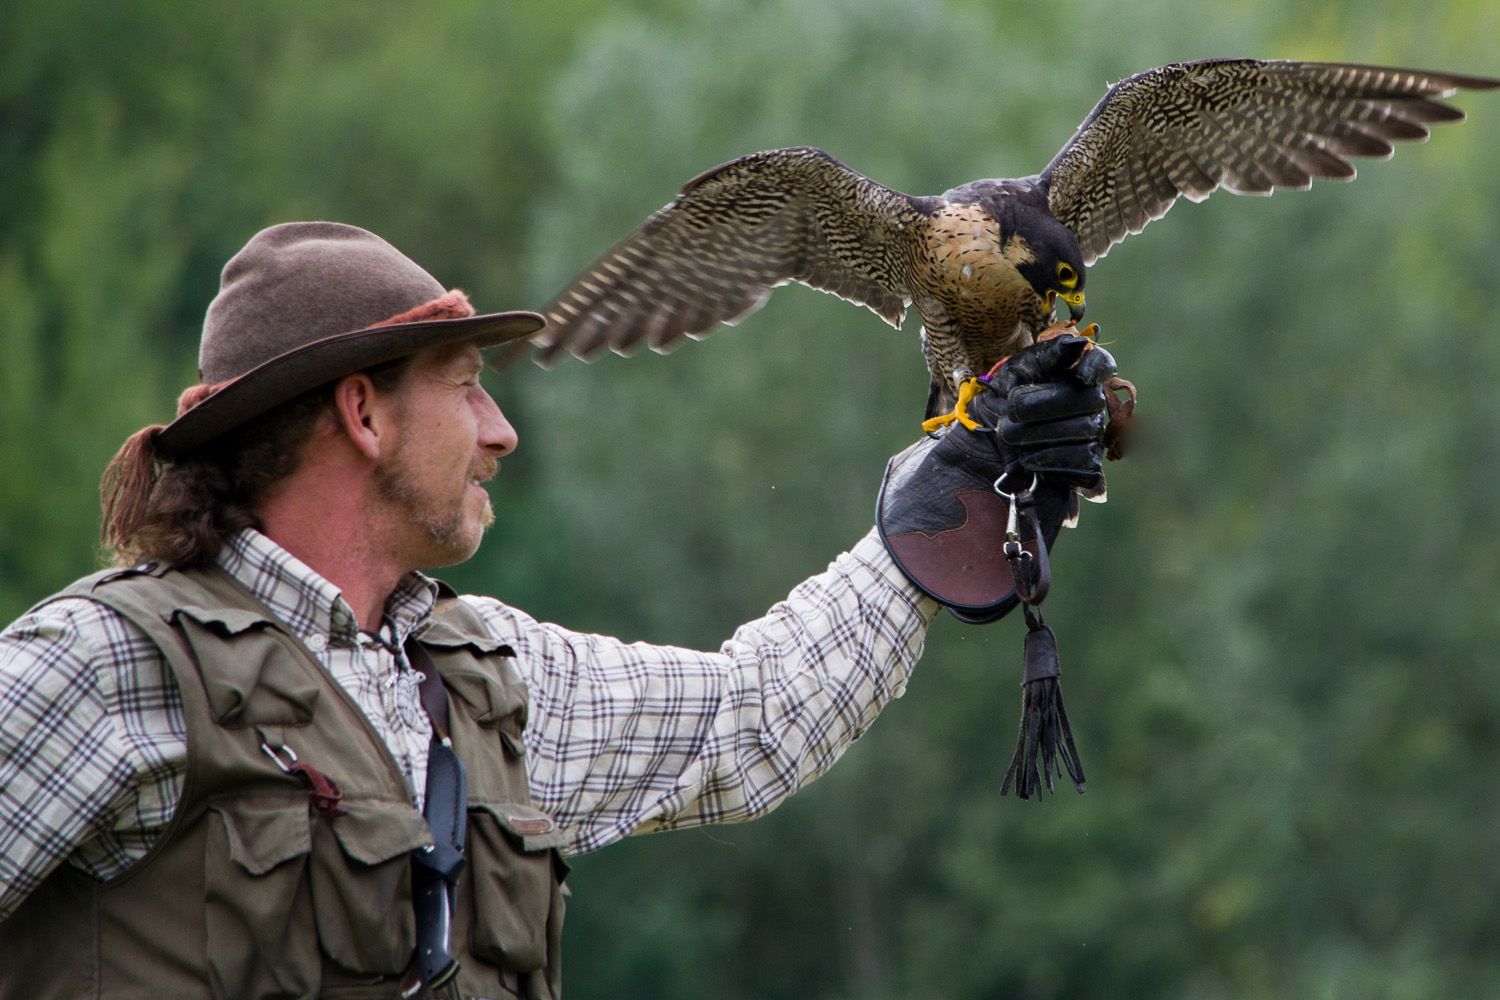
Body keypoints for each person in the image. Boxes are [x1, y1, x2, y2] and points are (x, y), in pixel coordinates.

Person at [0, 222, 1116, 999]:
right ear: (363, 413)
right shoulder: (107, 665)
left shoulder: (482, 678)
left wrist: (950, 501)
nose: (501, 430)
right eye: (465, 384)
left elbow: (758, 716)